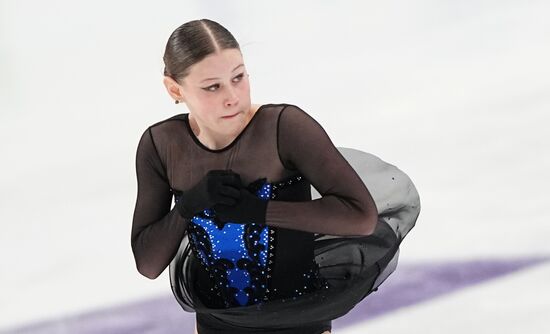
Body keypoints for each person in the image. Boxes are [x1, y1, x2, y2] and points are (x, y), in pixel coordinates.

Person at [131, 19, 416, 334]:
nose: (232, 96)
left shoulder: (284, 129)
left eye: (238, 77)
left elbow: (360, 216)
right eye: (213, 86)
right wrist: (187, 207)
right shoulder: (162, 146)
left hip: (299, 321)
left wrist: (259, 212)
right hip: (217, 325)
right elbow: (148, 262)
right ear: (174, 88)